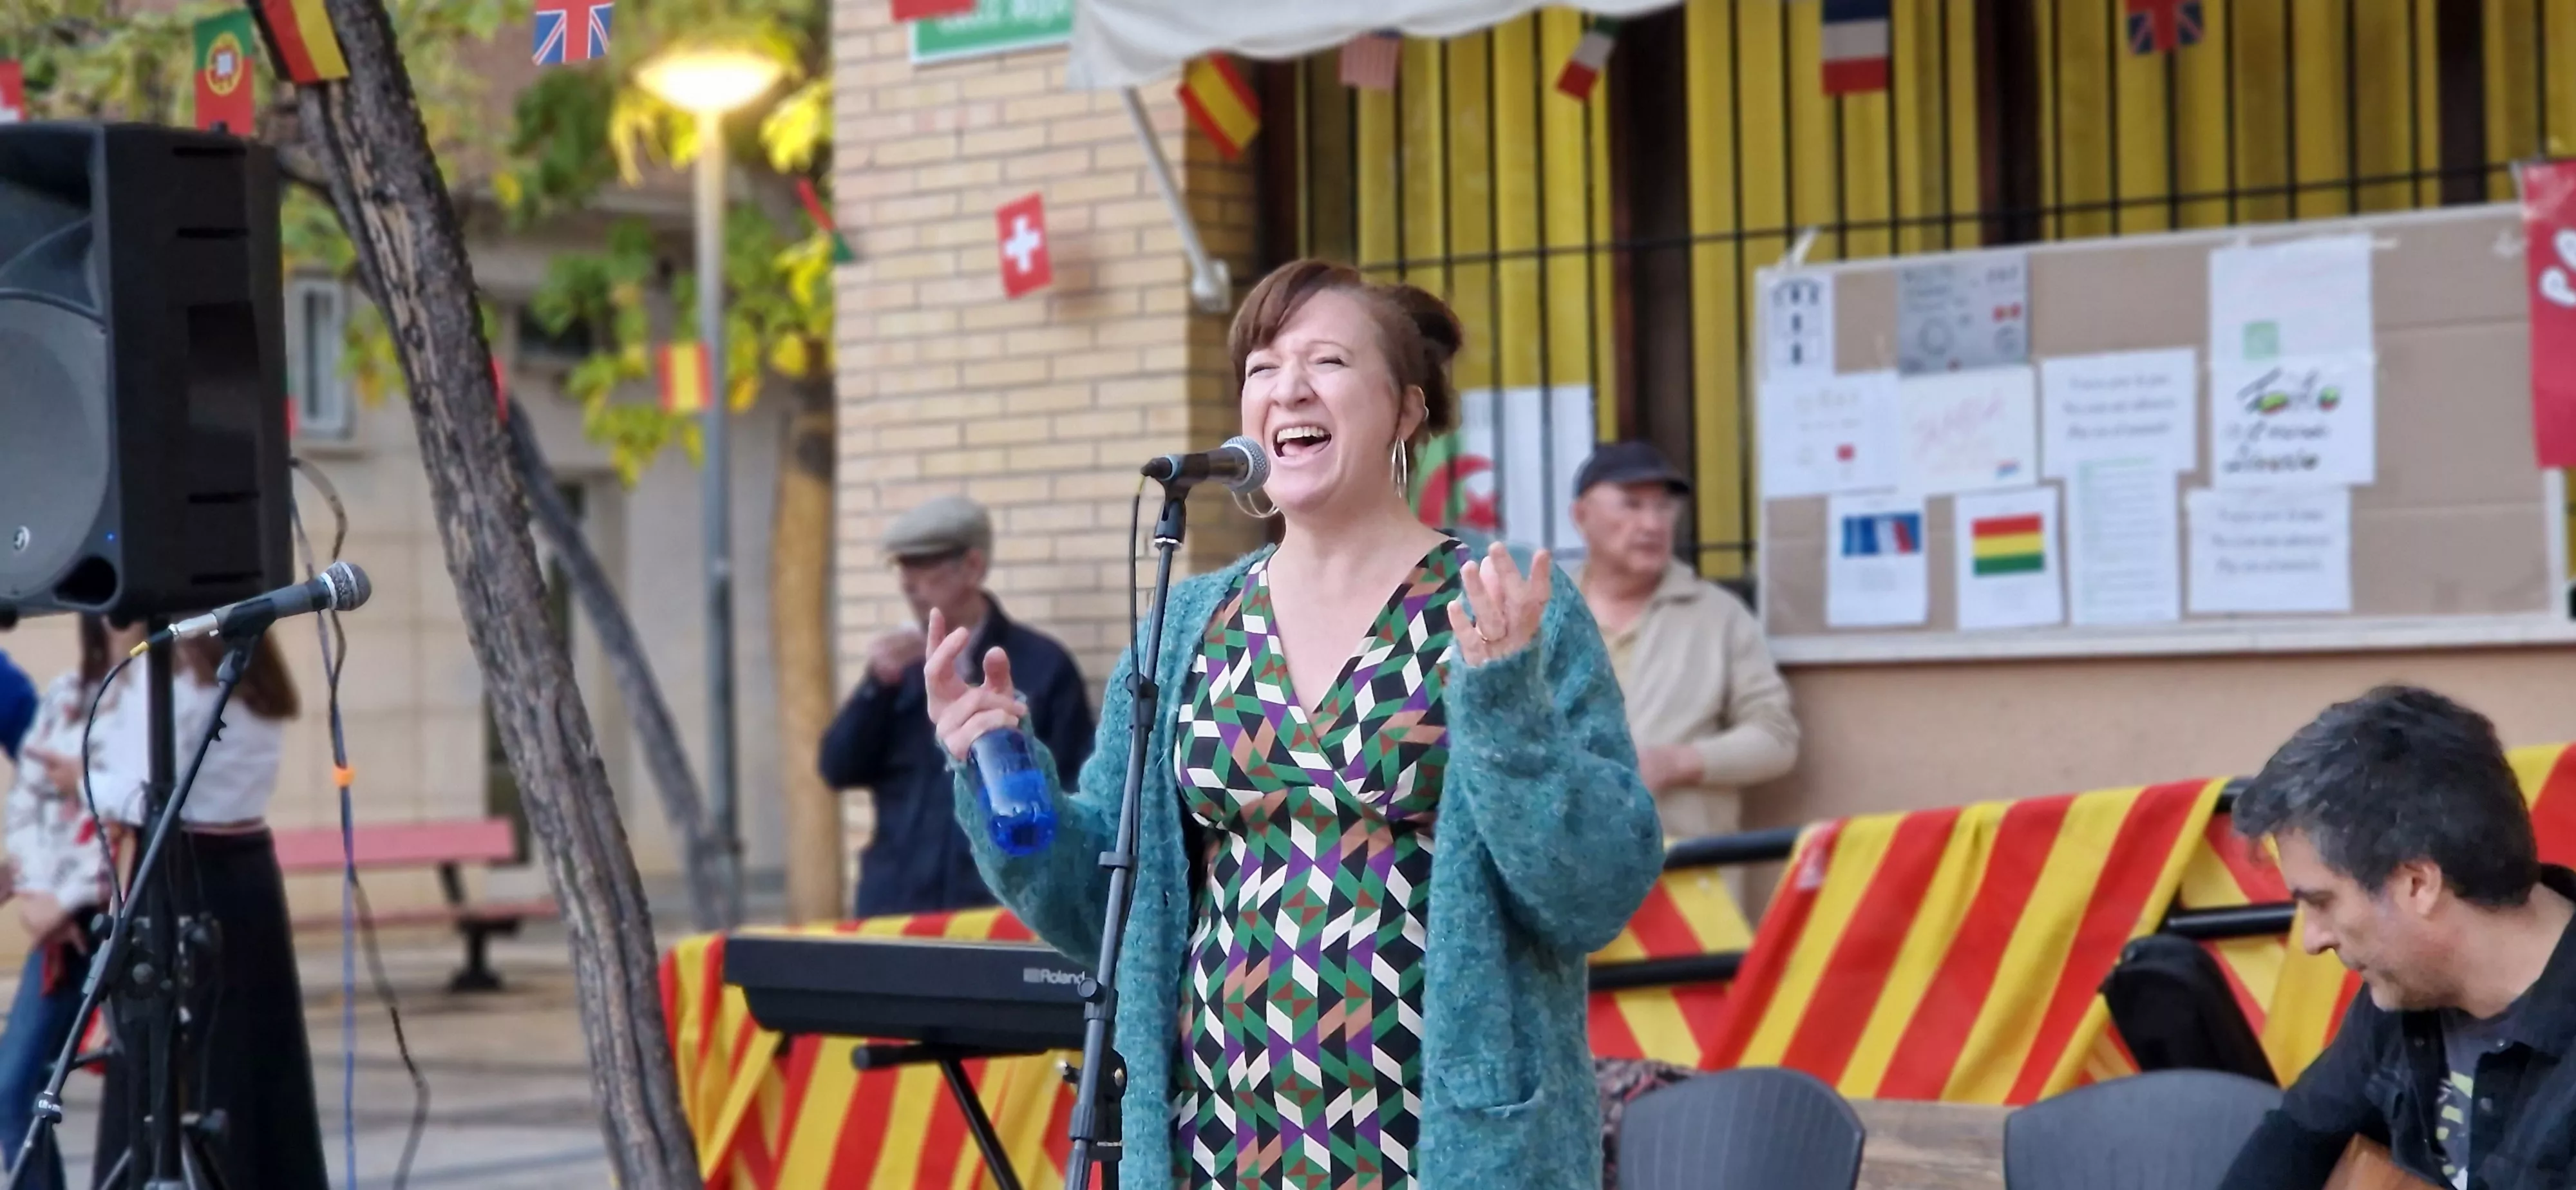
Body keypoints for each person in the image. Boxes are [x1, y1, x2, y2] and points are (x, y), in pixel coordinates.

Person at [926, 259, 1663, 1189]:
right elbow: (1099, 907)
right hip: (1221, 1142)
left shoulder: (1504, 607)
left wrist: (1510, 711)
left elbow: (1597, 890)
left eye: (1328, 362)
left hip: (1444, 1149)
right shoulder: (1186, 626)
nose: (1290, 388)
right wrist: (1002, 767)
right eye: (1264, 367)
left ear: (1404, 410)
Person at [2219, 686, 2576, 1190]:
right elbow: (2296, 1139)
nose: (2313, 940)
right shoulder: (2406, 990)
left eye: (2322, 902)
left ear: (2417, 884)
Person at [82, 629, 327, 1190]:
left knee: (166, 1045)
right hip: (246, 871)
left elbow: (139, 788)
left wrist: (81, 779)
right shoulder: (256, 682)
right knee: (250, 1052)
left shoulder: (177, 684)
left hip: (183, 871)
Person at [820, 495, 1094, 918]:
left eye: (924, 563)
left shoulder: (1040, 666)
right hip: (896, 908)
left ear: (973, 567)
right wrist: (878, 685)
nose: (908, 582)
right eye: (901, 566)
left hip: (993, 910)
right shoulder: (902, 668)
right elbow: (837, 767)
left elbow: (1077, 791)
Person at [1567, 440, 1799, 841]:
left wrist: (1678, 763)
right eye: (1632, 505)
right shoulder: (1542, 610)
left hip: (1687, 873)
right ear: (1581, 515)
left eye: (1663, 507)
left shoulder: (1718, 615)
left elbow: (1776, 737)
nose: (1653, 524)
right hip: (1558, 873)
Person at [0, 618, 127, 1190]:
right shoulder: (64, 694)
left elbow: (133, 817)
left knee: (148, 1100)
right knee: (13, 1089)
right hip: (62, 923)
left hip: (117, 917)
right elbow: (31, 797)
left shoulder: (166, 699)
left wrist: (66, 898)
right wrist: (36, 888)